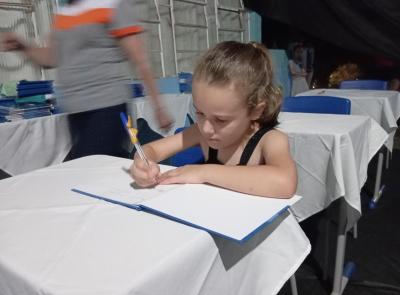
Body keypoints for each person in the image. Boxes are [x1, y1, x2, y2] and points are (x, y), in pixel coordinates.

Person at [1, 0, 172, 159]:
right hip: (74, 111)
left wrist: (159, 107)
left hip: (107, 106)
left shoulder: (111, 4)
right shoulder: (64, 14)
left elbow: (140, 58)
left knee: (91, 168)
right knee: (98, 169)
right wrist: (23, 46)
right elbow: (52, 58)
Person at [130, 41, 297, 199]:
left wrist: (204, 172)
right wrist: (143, 164)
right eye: (200, 113)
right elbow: (150, 149)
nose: (207, 128)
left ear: (255, 111)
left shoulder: (270, 140)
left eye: (221, 120)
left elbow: (285, 183)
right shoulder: (201, 132)